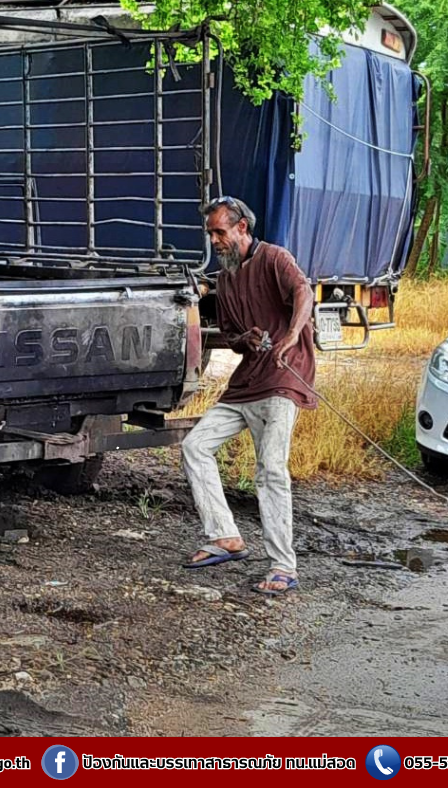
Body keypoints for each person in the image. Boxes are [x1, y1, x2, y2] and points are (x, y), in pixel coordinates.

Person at [181, 196, 317, 595]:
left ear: (242, 227)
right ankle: (225, 536)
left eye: (219, 232)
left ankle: (283, 567)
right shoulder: (225, 279)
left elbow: (304, 293)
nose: (214, 241)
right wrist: (247, 339)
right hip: (248, 381)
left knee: (270, 468)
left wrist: (291, 335)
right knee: (195, 446)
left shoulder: (275, 258)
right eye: (210, 234)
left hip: (284, 378)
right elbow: (232, 339)